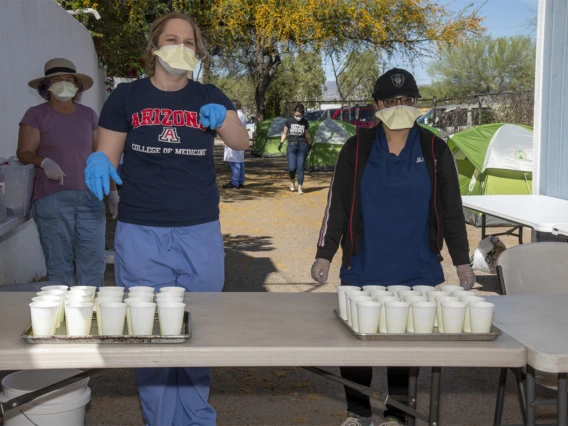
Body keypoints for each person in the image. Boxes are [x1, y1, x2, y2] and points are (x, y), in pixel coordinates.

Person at [83, 12, 249, 426]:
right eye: (171, 38)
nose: (181, 46)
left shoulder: (208, 94)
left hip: (199, 229)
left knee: (198, 330)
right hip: (141, 230)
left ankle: (197, 419)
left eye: (189, 41)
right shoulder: (126, 98)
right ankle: (160, 421)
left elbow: (241, 141)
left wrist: (224, 116)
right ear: (154, 46)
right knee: (149, 335)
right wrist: (99, 160)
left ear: (197, 51)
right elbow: (108, 152)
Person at [311, 68, 475, 426]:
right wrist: (325, 253)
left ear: (416, 104)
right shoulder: (357, 147)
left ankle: (398, 416)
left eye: (407, 100)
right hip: (363, 265)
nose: (400, 106)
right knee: (355, 347)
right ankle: (357, 413)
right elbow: (336, 205)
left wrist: (462, 262)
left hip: (417, 267)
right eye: (391, 101)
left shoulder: (434, 148)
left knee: (404, 348)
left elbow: (451, 210)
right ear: (376, 105)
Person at [17, 58, 117, 286]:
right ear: (46, 87)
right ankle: (62, 317)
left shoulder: (88, 115)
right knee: (59, 263)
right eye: (57, 79)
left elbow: (100, 155)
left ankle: (91, 314)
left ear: (77, 86)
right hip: (52, 199)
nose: (64, 83)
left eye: (69, 79)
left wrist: (112, 191)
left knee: (93, 261)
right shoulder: (35, 114)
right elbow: (24, 152)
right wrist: (44, 162)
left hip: (90, 199)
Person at [279, 103, 311, 194]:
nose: (298, 117)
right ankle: (292, 180)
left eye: (300, 115)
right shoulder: (288, 121)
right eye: (296, 115)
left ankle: (300, 187)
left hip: (302, 146)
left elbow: (307, 134)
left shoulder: (305, 122)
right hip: (292, 146)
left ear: (302, 114)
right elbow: (284, 133)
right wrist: (281, 142)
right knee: (292, 168)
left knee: (300, 167)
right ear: (294, 113)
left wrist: (310, 144)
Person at [222, 100, 247, 189]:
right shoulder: (242, 115)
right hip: (240, 139)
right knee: (240, 161)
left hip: (234, 139)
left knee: (235, 161)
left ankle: (235, 182)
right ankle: (240, 180)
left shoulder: (236, 115)